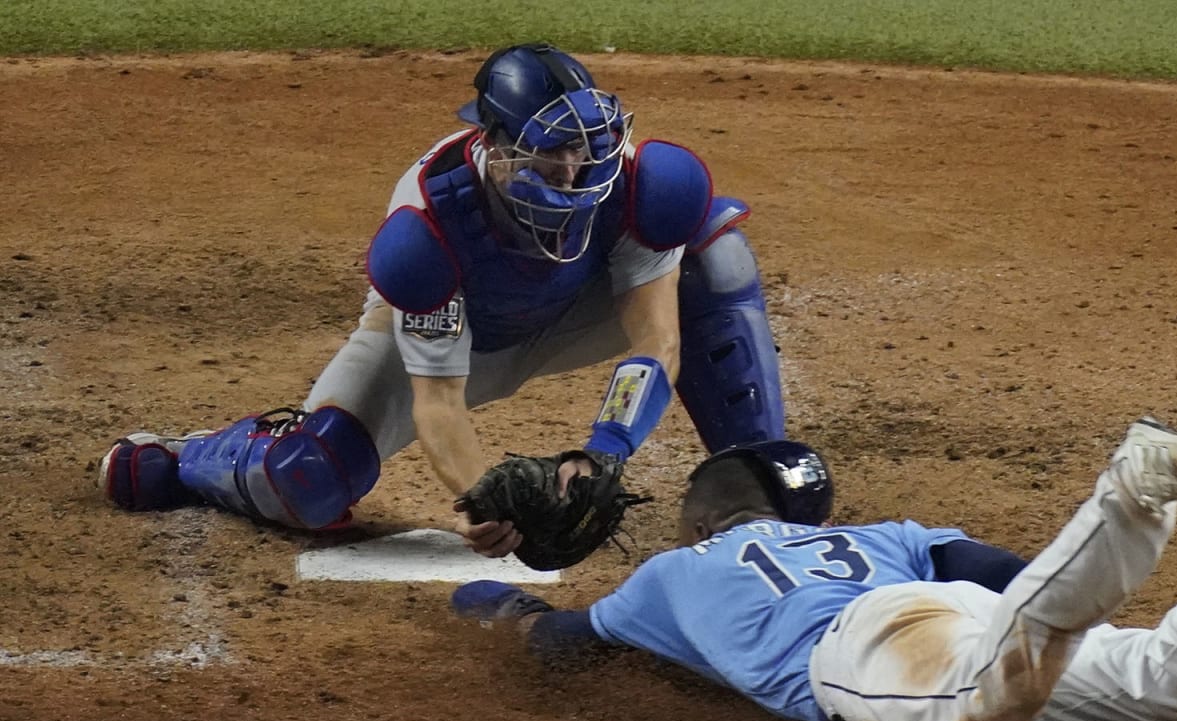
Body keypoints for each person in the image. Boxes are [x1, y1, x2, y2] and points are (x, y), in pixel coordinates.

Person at [97, 42, 786, 557]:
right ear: (496, 147)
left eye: (583, 145)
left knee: (714, 259)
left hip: (577, 308)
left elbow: (655, 342)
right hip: (466, 335)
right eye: (552, 154)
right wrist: (483, 500)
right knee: (306, 478)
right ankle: (197, 460)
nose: (576, 170)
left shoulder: (640, 183)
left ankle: (769, 494)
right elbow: (439, 400)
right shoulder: (428, 231)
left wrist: (605, 450)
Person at [452, 418, 1177, 721]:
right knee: (1160, 683)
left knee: (969, 719)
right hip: (953, 617)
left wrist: (493, 602)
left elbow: (557, 644)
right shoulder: (880, 534)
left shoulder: (671, 574)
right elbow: (1009, 580)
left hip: (869, 655)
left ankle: (1132, 491)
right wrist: (1049, 617)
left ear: (704, 520)